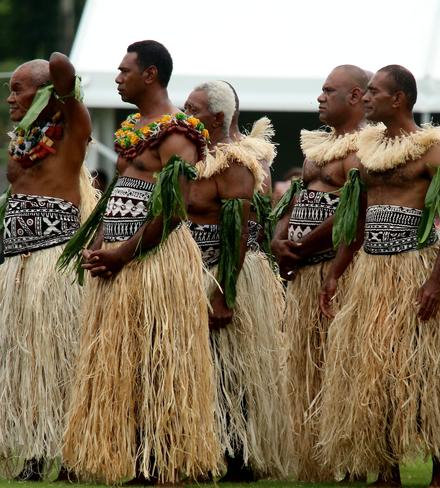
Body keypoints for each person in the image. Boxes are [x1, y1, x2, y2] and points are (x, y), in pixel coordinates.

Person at [61, 40, 220, 484]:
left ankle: (169, 466)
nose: (117, 76)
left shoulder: (180, 134)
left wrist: (122, 253)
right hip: (118, 261)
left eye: (124, 69)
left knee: (159, 362)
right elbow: (117, 195)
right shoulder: (135, 127)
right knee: (125, 364)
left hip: (155, 264)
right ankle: (141, 463)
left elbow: (173, 210)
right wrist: (98, 243)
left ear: (150, 74)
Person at [318, 65, 440, 488]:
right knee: (374, 371)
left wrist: (436, 282)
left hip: (414, 269)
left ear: (399, 99)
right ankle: (387, 469)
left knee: (427, 367)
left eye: (375, 91)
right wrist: (335, 274)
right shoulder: (365, 149)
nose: (366, 98)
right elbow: (356, 221)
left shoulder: (433, 149)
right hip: (372, 272)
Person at [184, 81, 291, 481]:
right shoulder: (189, 155)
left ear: (217, 117)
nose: (184, 111)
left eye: (192, 107)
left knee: (231, 369)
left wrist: (224, 293)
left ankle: (237, 456)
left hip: (229, 276)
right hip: (189, 275)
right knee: (199, 368)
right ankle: (201, 450)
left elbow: (241, 229)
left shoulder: (237, 162)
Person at [270, 65, 369, 482]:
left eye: (330, 90)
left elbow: (357, 213)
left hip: (340, 271)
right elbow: (295, 199)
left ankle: (354, 455)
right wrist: (279, 239)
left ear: (357, 97)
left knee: (343, 366)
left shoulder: (368, 148)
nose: (320, 97)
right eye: (321, 90)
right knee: (307, 364)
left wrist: (303, 245)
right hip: (303, 269)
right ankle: (319, 457)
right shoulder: (317, 148)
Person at [0, 52, 97, 481]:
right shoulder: (20, 138)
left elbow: (61, 65)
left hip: (53, 263)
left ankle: (73, 457)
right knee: (25, 362)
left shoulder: (73, 129)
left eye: (18, 89)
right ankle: (36, 454)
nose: (10, 98)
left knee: (60, 360)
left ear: (45, 95)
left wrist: (56, 94)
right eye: (9, 90)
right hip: (15, 262)